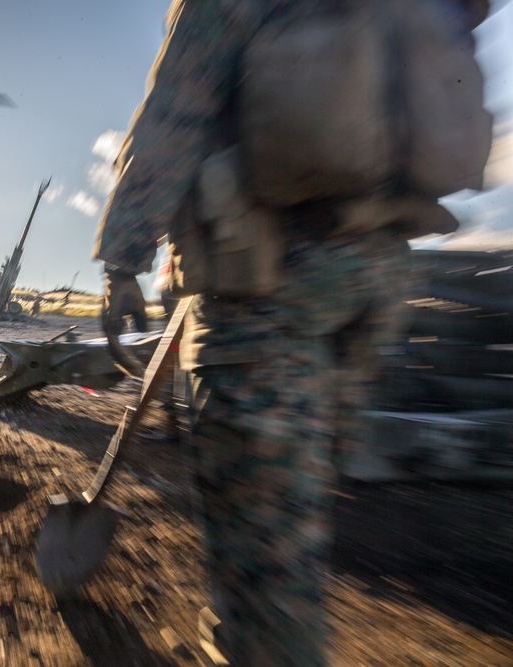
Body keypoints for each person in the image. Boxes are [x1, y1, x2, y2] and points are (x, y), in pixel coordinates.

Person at [93, 1, 491, 665]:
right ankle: (240, 625)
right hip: (376, 286)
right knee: (286, 508)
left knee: (267, 545)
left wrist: (122, 259)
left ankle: (261, 638)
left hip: (268, 282)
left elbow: (173, 121)